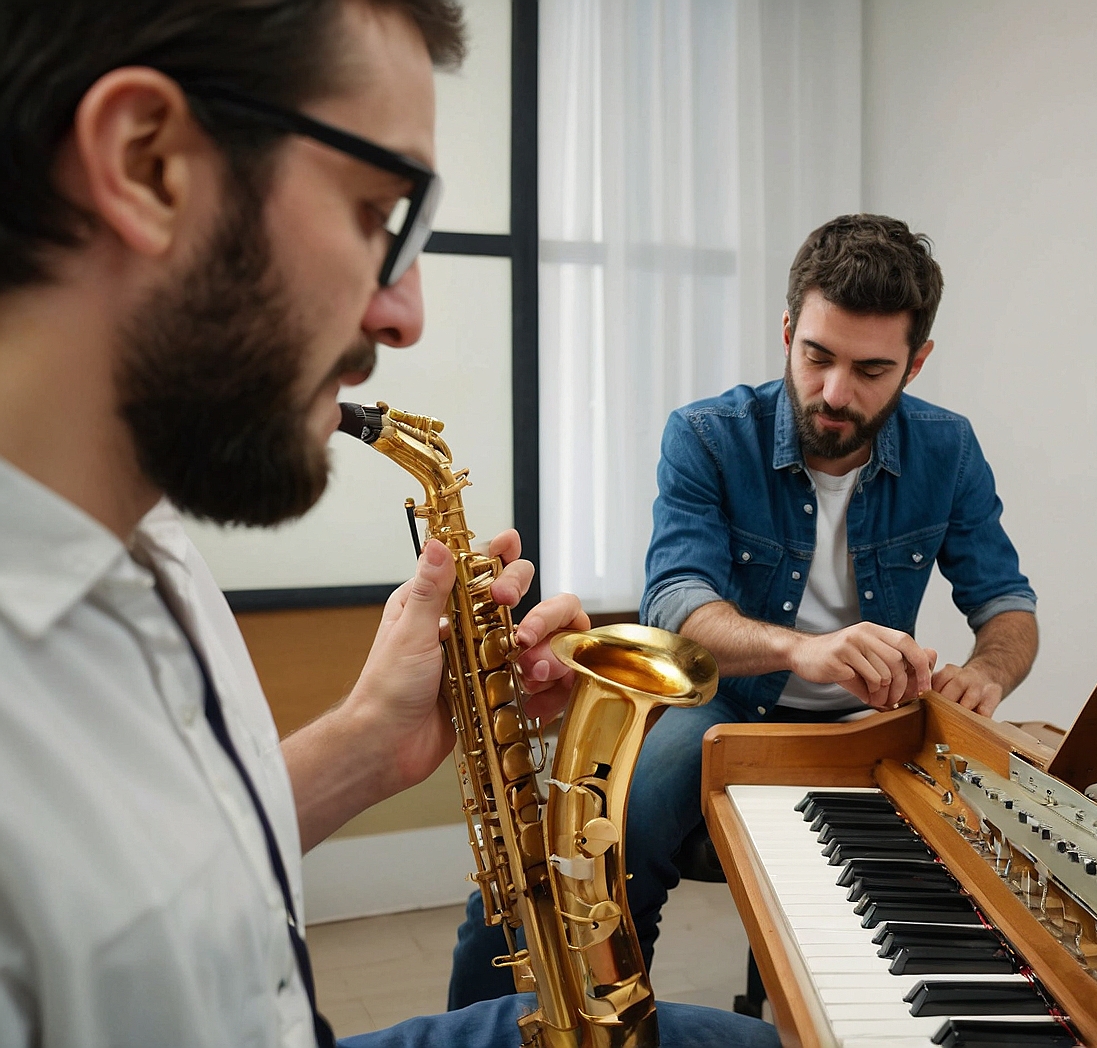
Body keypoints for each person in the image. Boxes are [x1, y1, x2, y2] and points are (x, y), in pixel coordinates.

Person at [0, 2, 779, 1046]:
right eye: (378, 213)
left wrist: (373, 739)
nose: (401, 312)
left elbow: (156, 868)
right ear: (147, 163)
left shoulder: (155, 553)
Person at [448, 213, 1038, 1005]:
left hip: (877, 723)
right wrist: (801, 650)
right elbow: (676, 603)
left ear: (916, 362)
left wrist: (987, 675)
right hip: (720, 703)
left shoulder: (951, 449)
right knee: (570, 858)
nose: (835, 392)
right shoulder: (706, 434)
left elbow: (1008, 605)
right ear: (788, 330)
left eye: (870, 370)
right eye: (816, 357)